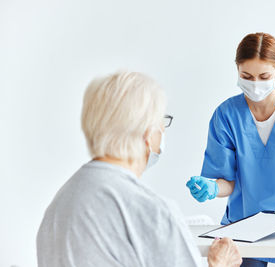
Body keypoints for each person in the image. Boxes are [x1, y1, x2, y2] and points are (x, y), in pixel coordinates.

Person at [36, 71, 242, 267]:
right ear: (149, 133)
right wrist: (220, 263)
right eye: (162, 121)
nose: (162, 130)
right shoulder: (150, 211)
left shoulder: (59, 205)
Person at [186, 33, 275, 267]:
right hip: (246, 222)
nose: (255, 84)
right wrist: (211, 188)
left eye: (264, 76)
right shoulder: (226, 115)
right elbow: (227, 182)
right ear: (237, 69)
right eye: (246, 76)